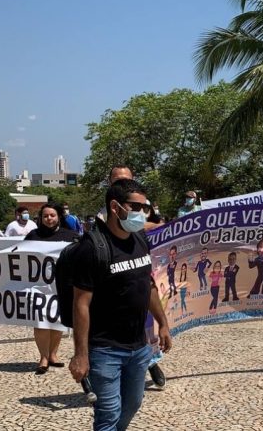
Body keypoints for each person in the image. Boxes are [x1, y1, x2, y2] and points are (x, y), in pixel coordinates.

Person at [68, 179, 172, 430]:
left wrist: (163, 323)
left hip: (138, 346)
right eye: (136, 206)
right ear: (115, 207)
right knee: (108, 413)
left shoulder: (139, 240)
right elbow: (80, 304)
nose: (142, 213)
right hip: (105, 349)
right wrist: (81, 354)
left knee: (133, 403)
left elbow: (146, 287)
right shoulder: (92, 248)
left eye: (145, 207)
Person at [97, 165, 167, 390]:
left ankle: (151, 362)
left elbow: (150, 226)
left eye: (126, 180)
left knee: (146, 323)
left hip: (141, 271)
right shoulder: (105, 211)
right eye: (117, 180)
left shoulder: (141, 206)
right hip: (116, 279)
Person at [24, 204, 79, 374]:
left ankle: (53, 354)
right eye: (46, 216)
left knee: (57, 321)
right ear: (41, 218)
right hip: (39, 287)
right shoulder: (33, 235)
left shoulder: (71, 236)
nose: (49, 219)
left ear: (59, 217)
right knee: (40, 322)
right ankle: (43, 357)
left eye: (52, 215)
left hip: (62, 286)